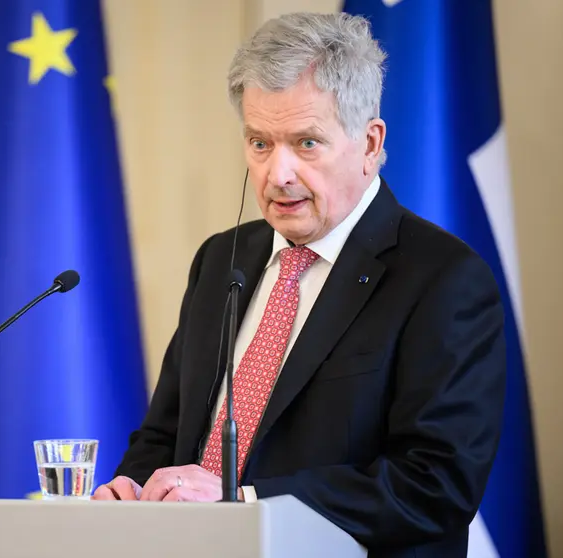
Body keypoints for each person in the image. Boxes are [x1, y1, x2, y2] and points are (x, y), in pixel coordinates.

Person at [92, 11, 505, 558]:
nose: (277, 174)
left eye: (306, 143)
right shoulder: (222, 259)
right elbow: (166, 434)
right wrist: (135, 489)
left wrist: (246, 500)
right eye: (260, 143)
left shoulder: (443, 279)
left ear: (369, 143)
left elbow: (435, 486)